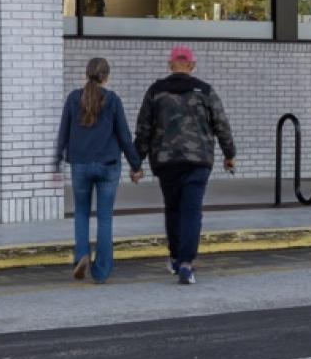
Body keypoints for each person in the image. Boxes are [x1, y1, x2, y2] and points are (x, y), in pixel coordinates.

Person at [135, 46, 236, 285]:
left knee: (173, 209)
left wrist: (136, 162)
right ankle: (186, 264)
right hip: (198, 161)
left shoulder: (156, 91)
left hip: (166, 162)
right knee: (192, 211)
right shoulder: (205, 91)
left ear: (170, 65)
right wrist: (229, 154)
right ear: (192, 66)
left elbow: (143, 130)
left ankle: (174, 257)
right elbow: (222, 125)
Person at [52, 57, 144, 283]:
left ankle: (82, 254)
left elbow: (63, 132)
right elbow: (124, 136)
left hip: (80, 165)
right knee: (104, 218)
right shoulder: (113, 100)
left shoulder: (74, 98)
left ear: (86, 74)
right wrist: (136, 165)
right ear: (106, 77)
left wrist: (57, 161)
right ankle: (101, 272)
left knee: (81, 213)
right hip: (108, 166)